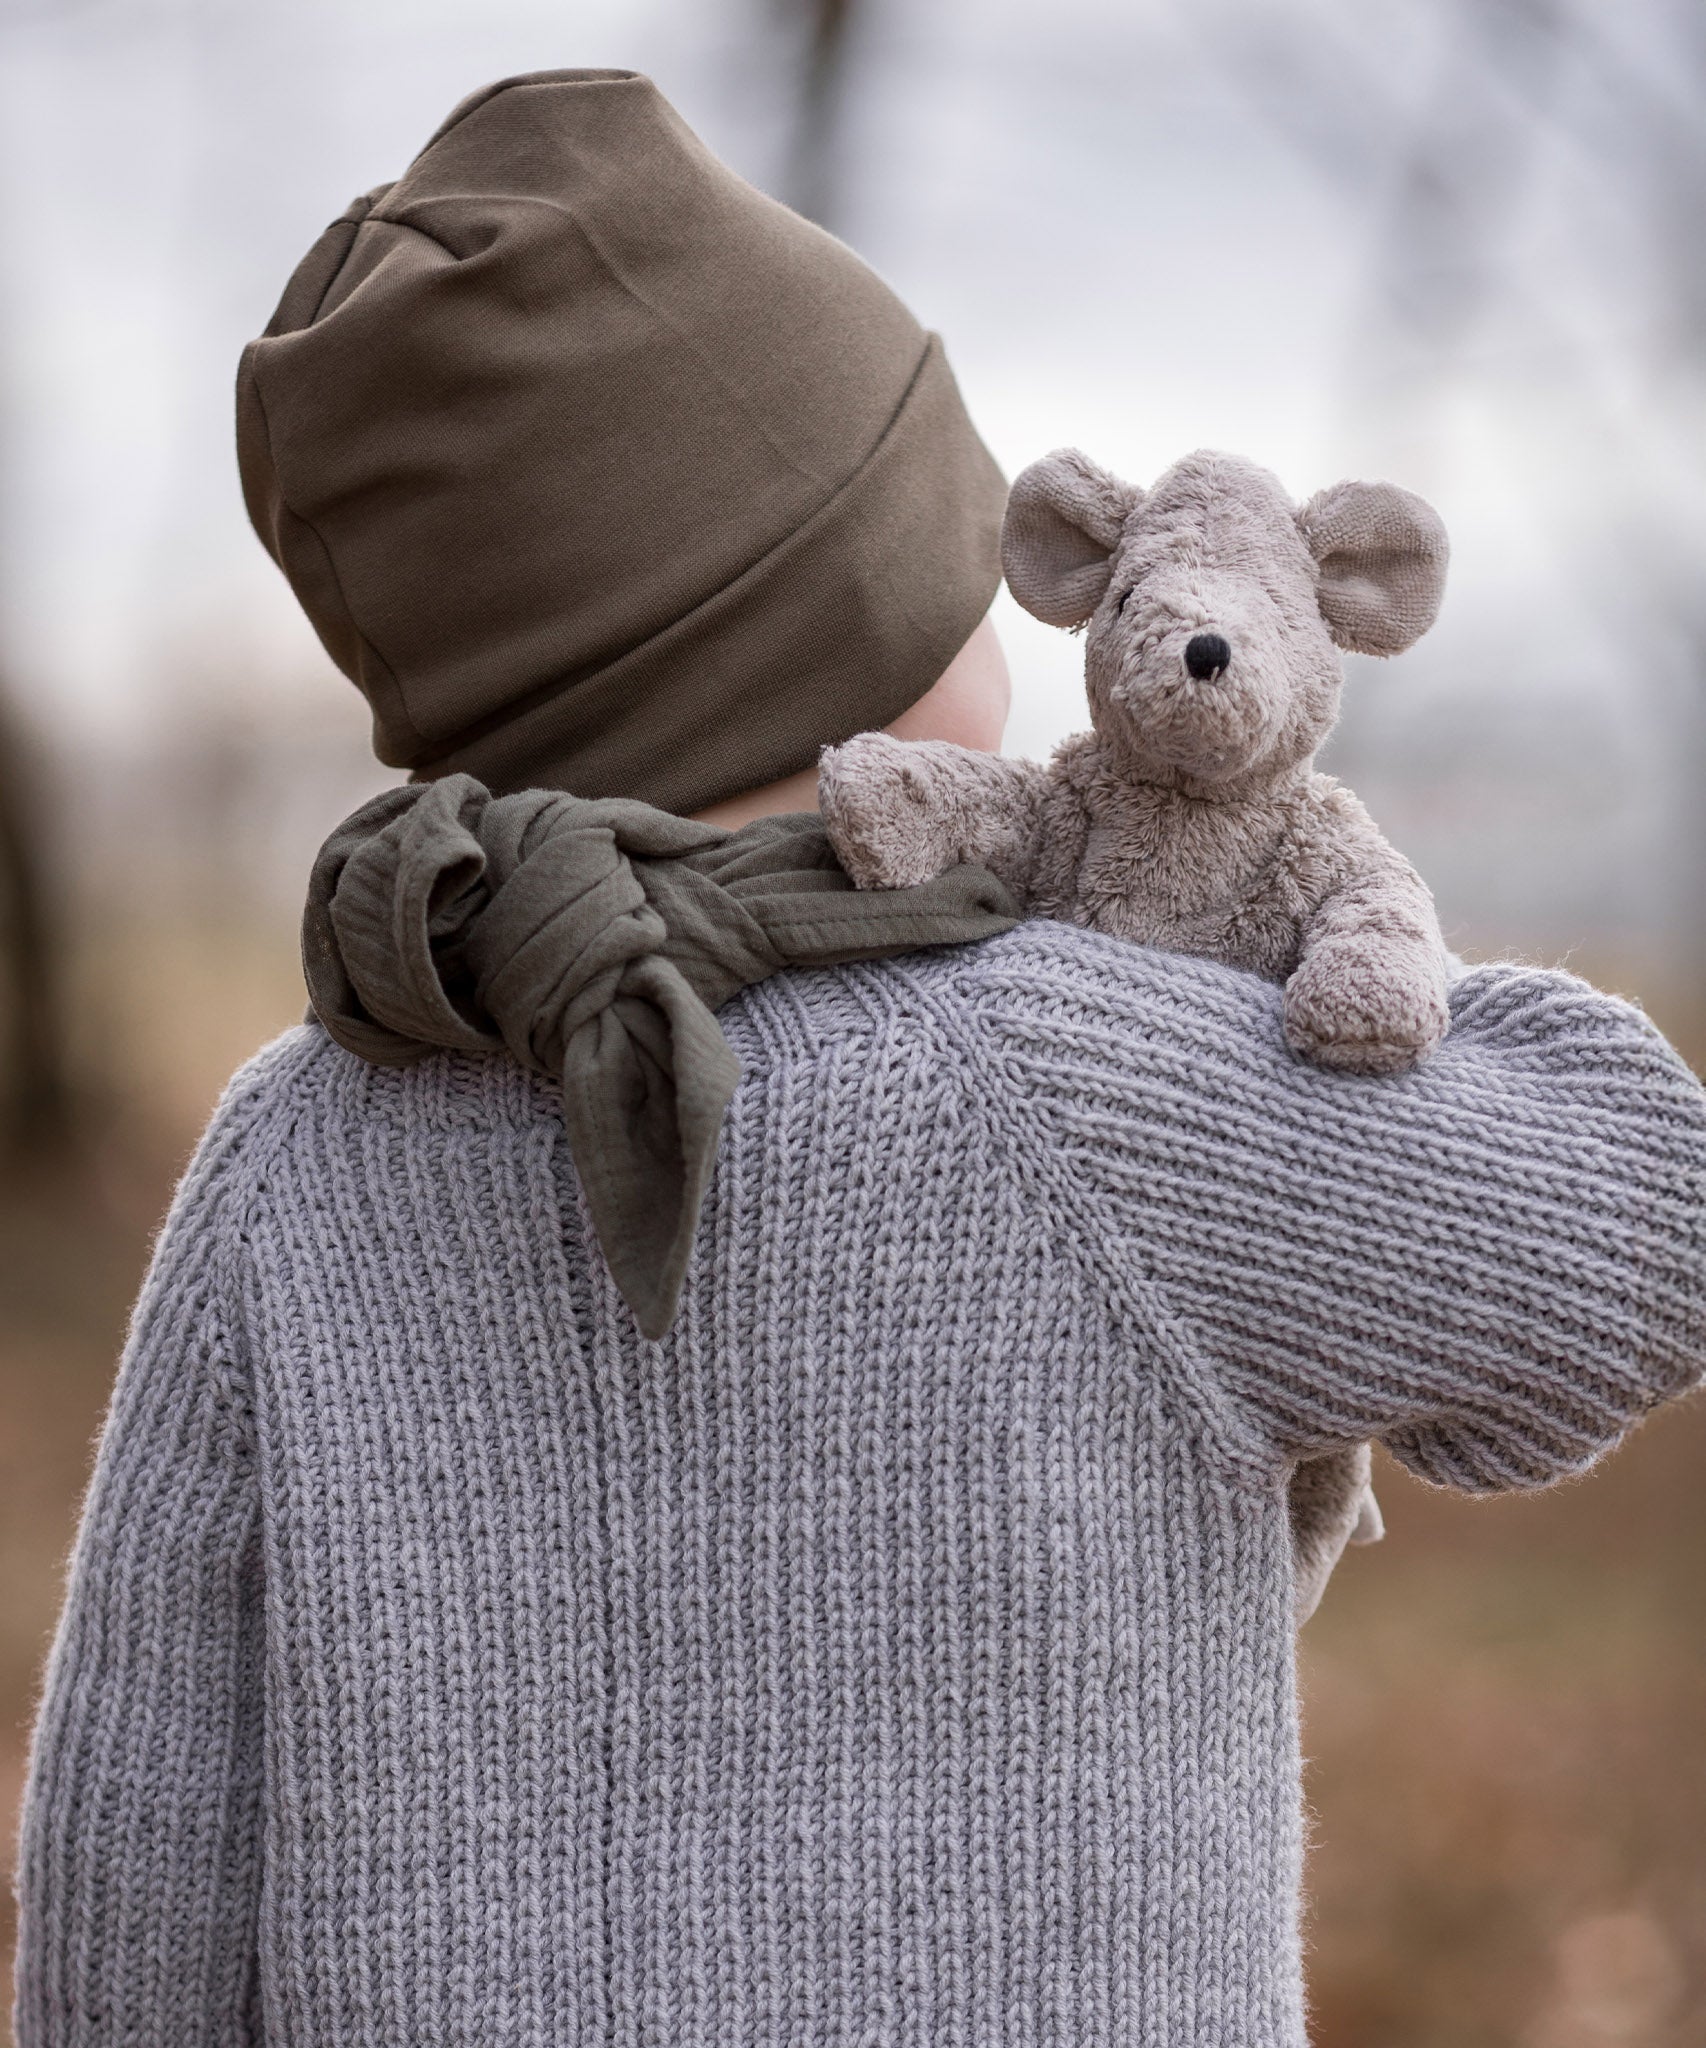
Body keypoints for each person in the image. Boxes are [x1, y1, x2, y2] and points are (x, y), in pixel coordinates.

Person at [12, 68, 1705, 2048]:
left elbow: (139, 1853)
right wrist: (1283, 940)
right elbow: (1632, 1226)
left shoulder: (294, 1143)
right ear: (852, 613)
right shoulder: (1089, 1076)